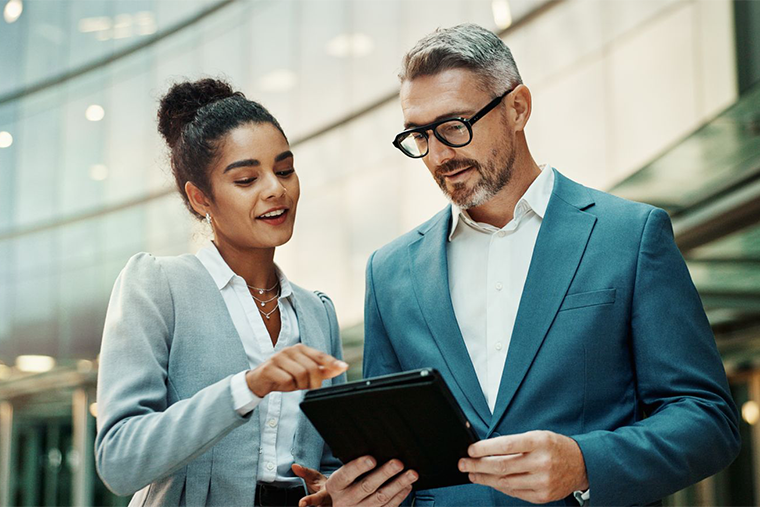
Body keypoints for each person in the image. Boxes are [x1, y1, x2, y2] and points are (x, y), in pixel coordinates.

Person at [318, 23, 740, 507]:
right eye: (419, 135)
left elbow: (707, 419)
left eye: (454, 126)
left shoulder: (630, 236)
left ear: (517, 108)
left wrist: (584, 463)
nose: (437, 155)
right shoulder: (389, 271)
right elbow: (388, 453)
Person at [95, 78, 347, 507]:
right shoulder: (157, 286)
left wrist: (334, 485)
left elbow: (329, 456)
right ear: (200, 198)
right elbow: (120, 459)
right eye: (247, 178)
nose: (276, 189)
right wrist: (248, 386)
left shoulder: (317, 312)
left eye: (284, 170)